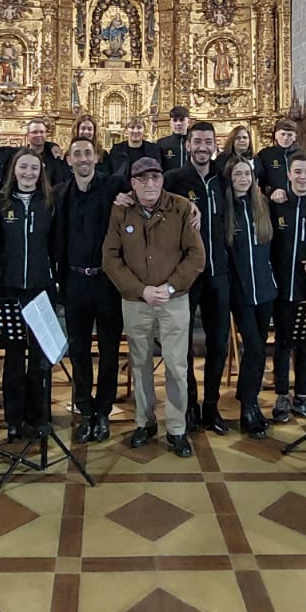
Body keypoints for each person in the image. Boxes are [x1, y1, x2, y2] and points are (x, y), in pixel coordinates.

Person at [103, 157, 205, 458]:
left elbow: (196, 256)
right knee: (140, 364)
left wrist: (170, 287)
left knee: (176, 366)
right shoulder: (121, 210)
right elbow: (110, 258)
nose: (150, 184)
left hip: (174, 301)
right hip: (137, 302)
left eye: (155, 178)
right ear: (132, 183)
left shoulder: (182, 208)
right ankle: (144, 422)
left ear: (162, 180)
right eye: (142, 179)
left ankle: (176, 429)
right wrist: (141, 290)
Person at [53, 135, 129, 442]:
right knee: (80, 351)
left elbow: (146, 199)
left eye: (87, 153)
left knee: (110, 351)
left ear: (95, 157)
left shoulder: (113, 187)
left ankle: (103, 411)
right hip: (73, 281)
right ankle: (85, 410)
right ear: (69, 160)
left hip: (107, 282)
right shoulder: (59, 193)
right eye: (77, 154)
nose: (83, 158)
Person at [165, 121, 232, 434]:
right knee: (183, 346)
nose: (203, 147)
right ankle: (189, 405)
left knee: (218, 343)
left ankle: (211, 406)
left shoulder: (225, 177)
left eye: (208, 141)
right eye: (197, 142)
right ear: (188, 145)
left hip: (219, 273)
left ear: (215, 145)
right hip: (186, 276)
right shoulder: (174, 180)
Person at [0, 148, 57, 439]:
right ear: (14, 171)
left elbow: (57, 244)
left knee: (40, 359)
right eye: (24, 168)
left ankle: (40, 416)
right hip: (10, 291)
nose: (29, 173)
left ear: (41, 172)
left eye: (34, 168)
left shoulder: (50, 203)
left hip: (41, 290)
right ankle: (13, 418)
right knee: (14, 358)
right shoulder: (1, 204)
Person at [268, 151, 306, 424]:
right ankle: (282, 395)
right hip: (281, 289)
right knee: (282, 343)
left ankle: (302, 396)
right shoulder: (277, 205)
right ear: (289, 175)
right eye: (298, 172)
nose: (303, 177)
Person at [223, 157, 278, 438]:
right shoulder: (225, 209)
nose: (243, 177)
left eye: (247, 173)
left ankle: (250, 399)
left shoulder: (263, 205)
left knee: (259, 350)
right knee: (254, 348)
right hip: (241, 293)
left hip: (266, 291)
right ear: (230, 177)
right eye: (238, 173)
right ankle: (248, 405)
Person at [16, 117, 70, 186]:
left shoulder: (55, 157)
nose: (39, 135)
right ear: (28, 135)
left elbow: (61, 181)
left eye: (42, 132)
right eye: (35, 132)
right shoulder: (20, 156)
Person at [255, 119, 298, 195]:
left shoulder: (301, 155)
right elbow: (259, 180)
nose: (285, 138)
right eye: (283, 134)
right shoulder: (265, 154)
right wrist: (271, 192)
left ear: (295, 137)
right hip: (271, 200)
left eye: (290, 135)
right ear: (276, 135)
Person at [157, 106, 191, 171]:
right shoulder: (161, 144)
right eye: (175, 120)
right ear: (170, 123)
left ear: (188, 122)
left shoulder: (195, 143)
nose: (178, 123)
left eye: (181, 120)